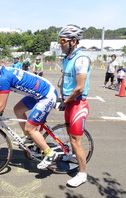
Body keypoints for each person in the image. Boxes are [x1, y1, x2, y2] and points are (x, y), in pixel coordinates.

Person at [0, 48, 59, 170]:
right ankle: (29, 137)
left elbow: (1, 106)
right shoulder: (3, 72)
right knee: (18, 109)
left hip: (46, 96)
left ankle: (50, 153)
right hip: (38, 93)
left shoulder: (4, 78)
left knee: (30, 127)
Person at [58, 25, 91, 187]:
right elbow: (65, 80)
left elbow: (79, 88)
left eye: (63, 40)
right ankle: (72, 155)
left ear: (74, 41)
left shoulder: (81, 59)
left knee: (76, 141)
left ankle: (82, 173)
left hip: (78, 104)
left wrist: (66, 101)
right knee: (70, 138)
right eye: (60, 40)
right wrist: (61, 97)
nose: (60, 44)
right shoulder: (67, 59)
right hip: (69, 103)